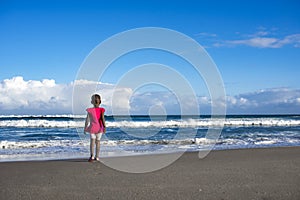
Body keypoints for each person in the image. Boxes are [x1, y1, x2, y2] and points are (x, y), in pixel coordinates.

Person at [84, 94, 106, 162]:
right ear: (100, 101)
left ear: (91, 102)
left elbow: (87, 119)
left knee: (92, 142)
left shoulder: (90, 110)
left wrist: (85, 127)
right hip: (99, 128)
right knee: (98, 142)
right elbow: (102, 119)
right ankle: (97, 156)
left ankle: (92, 156)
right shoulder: (101, 110)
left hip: (92, 128)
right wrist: (104, 126)